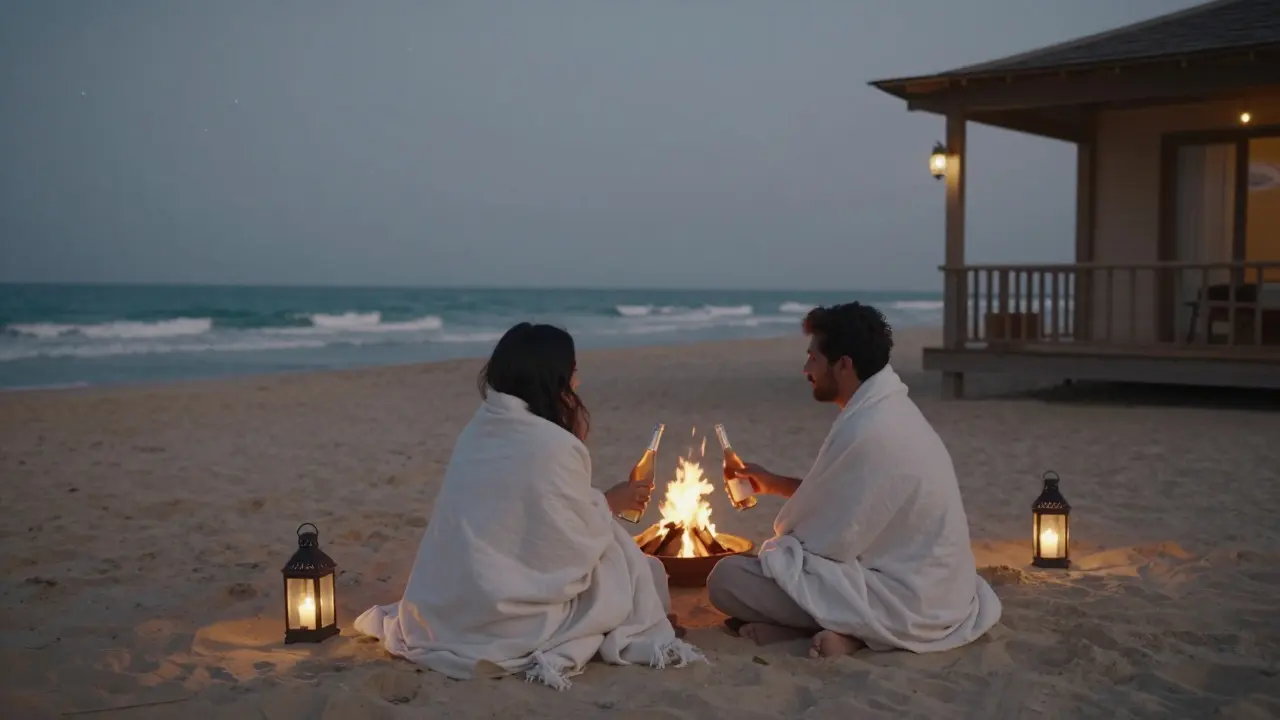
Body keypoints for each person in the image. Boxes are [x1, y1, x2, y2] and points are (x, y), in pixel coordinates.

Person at [354, 322, 702, 689]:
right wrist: (609, 503)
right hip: (506, 613)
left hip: (452, 603)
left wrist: (598, 502)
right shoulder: (551, 442)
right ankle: (642, 628)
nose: (577, 382)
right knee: (623, 558)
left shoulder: (481, 427)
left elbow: (535, 514)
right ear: (554, 379)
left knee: (630, 558)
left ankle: (644, 619)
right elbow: (567, 542)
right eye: (573, 373)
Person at [706, 302, 1001, 659]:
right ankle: (828, 631)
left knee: (727, 579)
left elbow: (828, 543)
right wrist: (771, 483)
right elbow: (850, 503)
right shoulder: (888, 408)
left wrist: (779, 550)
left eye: (813, 358)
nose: (805, 370)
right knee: (775, 565)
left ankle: (854, 636)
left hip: (909, 601)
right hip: (940, 587)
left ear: (843, 364)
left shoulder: (870, 430)